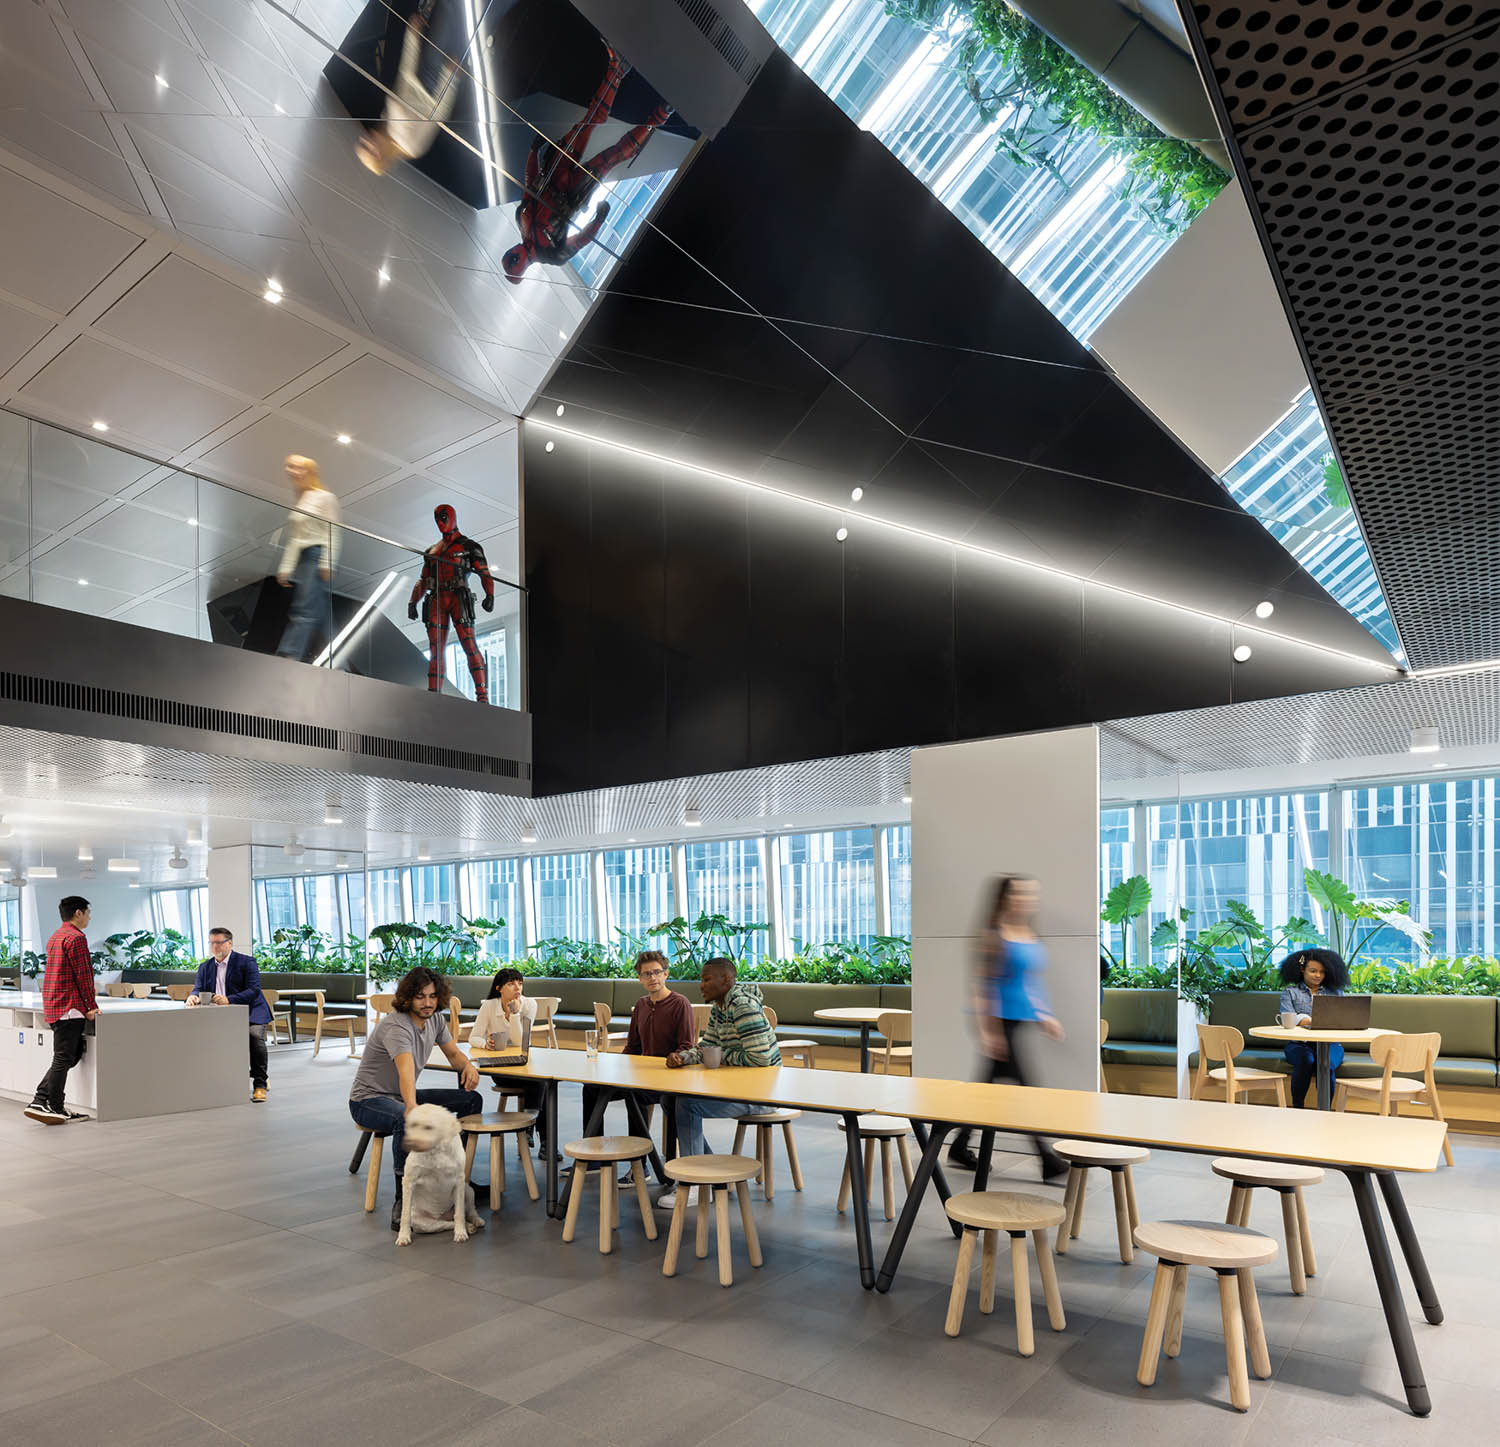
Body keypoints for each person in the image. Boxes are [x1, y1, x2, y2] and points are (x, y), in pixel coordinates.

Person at [501, 43, 671, 283]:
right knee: (615, 155)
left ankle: (617, 68)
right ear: (522, 268)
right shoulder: (552, 254)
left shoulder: (522, 220)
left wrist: (532, 152)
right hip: (575, 192)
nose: (513, 255)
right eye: (513, 261)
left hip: (554, 169)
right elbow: (580, 240)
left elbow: (529, 187)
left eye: (509, 257)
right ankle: (661, 115)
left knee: (588, 122)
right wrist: (598, 220)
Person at [947, 876, 1066, 1180]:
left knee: (984, 1093)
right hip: (1001, 1024)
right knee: (1026, 1092)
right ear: (1005, 898)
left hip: (1020, 1019)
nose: (1027, 898)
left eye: (1030, 893)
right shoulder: (994, 936)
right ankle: (1047, 1159)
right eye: (1020, 893)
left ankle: (959, 1145)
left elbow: (1029, 980)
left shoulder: (1027, 932)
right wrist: (989, 1032)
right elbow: (982, 986)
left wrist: (1043, 1014)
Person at [348, 966, 483, 1229]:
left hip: (399, 1094)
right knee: (404, 1118)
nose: (428, 1003)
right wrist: (411, 1107)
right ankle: (403, 1199)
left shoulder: (434, 1020)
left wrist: (467, 1065)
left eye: (432, 996)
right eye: (421, 997)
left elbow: (453, 1054)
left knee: (471, 1100)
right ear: (408, 998)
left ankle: (457, 1179)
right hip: (367, 1100)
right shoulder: (397, 1026)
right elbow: (406, 1071)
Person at [661, 957, 780, 1208]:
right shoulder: (720, 1007)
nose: (701, 985)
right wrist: (683, 1057)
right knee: (670, 1099)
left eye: (706, 979)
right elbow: (707, 1046)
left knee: (687, 1104)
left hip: (761, 1095)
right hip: (738, 1089)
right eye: (701, 980)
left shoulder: (743, 1006)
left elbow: (760, 1059)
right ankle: (711, 1176)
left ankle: (696, 1184)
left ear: (727, 979)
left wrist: (721, 1056)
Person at [580, 950, 694, 1178]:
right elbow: (632, 1046)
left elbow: (686, 1046)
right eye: (646, 974)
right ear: (640, 978)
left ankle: (638, 1166)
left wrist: (674, 1060)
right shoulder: (641, 1005)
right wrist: (614, 1069)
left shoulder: (680, 1004)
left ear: (666, 974)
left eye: (657, 972)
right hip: (639, 1074)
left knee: (636, 1096)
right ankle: (592, 1156)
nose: (652, 978)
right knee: (591, 1089)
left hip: (667, 1078)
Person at [355, 0, 464, 175]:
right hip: (437, 75)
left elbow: (405, 77)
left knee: (453, 8)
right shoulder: (411, 146)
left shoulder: (386, 121)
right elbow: (438, 116)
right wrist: (449, 80)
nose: (367, 141)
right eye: (370, 150)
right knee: (458, 12)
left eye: (363, 144)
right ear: (382, 157)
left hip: (428, 65)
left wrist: (412, 37)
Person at [407, 503, 496, 702]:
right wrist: (412, 602)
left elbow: (484, 573)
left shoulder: (469, 546)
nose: (440, 522)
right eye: (437, 518)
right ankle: (433, 697)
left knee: (469, 644)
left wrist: (490, 595)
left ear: (453, 517)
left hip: (458, 596)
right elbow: (423, 579)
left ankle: (482, 696)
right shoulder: (431, 551)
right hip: (437, 597)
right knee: (435, 650)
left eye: (443, 517)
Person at [24, 896, 98, 1124]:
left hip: (55, 1004)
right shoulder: (76, 938)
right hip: (70, 1007)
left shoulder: (56, 937)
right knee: (64, 1056)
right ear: (78, 913)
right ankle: (45, 1101)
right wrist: (91, 1005)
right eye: (87, 912)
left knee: (70, 1055)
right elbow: (83, 975)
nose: (89, 917)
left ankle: (49, 1103)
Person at [187, 927, 273, 1103]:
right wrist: (193, 995)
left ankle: (259, 1084)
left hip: (251, 1011)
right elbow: (198, 987)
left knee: (255, 1038)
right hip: (222, 1015)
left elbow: (254, 990)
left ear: (229, 943)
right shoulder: (205, 966)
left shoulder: (247, 962)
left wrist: (229, 999)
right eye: (212, 943)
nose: (215, 947)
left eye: (219, 943)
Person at [275, 454, 341, 662]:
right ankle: (340, 651)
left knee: (304, 607)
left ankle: (289, 653)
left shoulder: (324, 498)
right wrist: (285, 567)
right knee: (318, 612)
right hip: (304, 558)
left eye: (296, 467)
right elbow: (295, 539)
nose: (291, 471)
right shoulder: (302, 499)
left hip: (316, 554)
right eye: (289, 466)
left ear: (309, 471)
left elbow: (334, 530)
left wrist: (327, 562)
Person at [1278, 947, 1349, 1107]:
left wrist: (1305, 1019)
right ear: (1302, 969)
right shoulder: (1290, 992)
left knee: (1326, 1063)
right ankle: (1298, 1108)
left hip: (1330, 1044)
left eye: (1322, 972)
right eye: (1313, 971)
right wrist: (1307, 1019)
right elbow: (1289, 1017)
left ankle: (1325, 1110)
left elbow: (1342, 1019)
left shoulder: (1336, 993)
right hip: (1298, 1045)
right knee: (1306, 1060)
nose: (1318, 975)